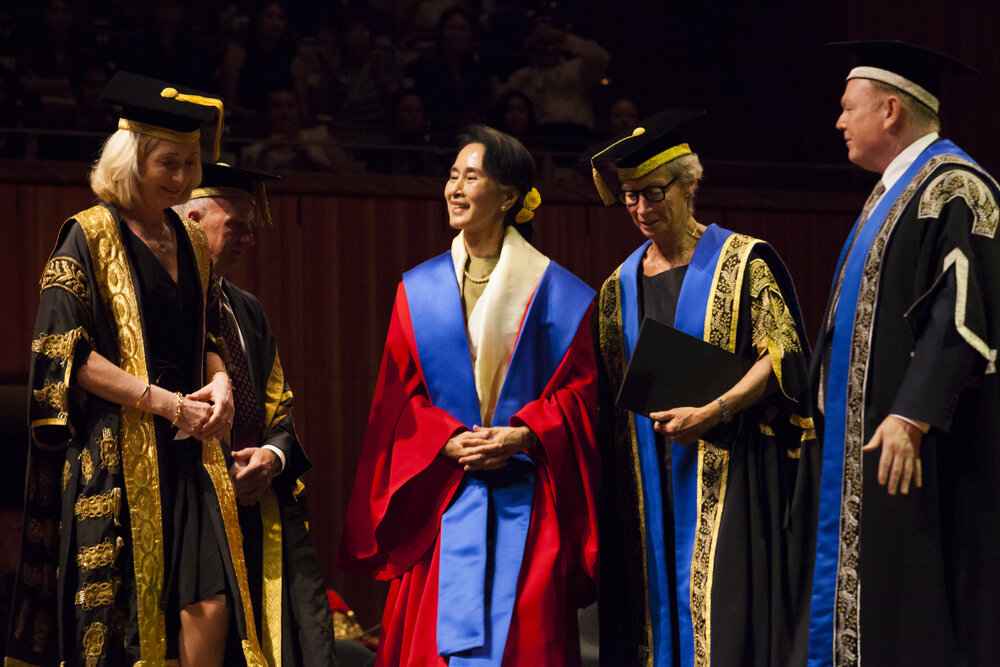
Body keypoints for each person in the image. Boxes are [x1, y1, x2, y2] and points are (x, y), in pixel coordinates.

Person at [3, 71, 271, 667]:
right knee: (124, 618)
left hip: (188, 448)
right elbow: (63, 351)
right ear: (131, 162)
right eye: (167, 164)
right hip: (114, 447)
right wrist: (165, 402)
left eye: (189, 163)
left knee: (210, 601)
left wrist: (222, 379)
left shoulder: (192, 240)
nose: (181, 178)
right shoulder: (86, 236)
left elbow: (204, 333)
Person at [338, 125, 600, 665]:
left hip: (526, 499)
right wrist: (444, 439)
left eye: (472, 177)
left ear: (508, 197)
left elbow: (581, 397)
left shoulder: (558, 292)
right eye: (452, 175)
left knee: (522, 642)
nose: (455, 188)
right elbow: (398, 397)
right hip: (443, 493)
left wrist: (525, 433)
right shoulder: (420, 288)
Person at [592, 110, 816, 666]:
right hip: (645, 489)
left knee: (723, 624)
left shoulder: (742, 263)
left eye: (653, 192)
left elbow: (783, 354)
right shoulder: (616, 289)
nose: (642, 209)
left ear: (689, 184)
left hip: (730, 473)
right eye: (629, 196)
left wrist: (716, 409)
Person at [808, 41, 1000, 667]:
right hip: (867, 442)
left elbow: (964, 308)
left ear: (890, 110)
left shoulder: (958, 187)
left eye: (847, 108)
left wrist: (912, 412)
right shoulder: (896, 189)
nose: (838, 122)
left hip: (923, 445)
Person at [173, 163, 339, 666]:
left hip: (259, 504)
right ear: (193, 220)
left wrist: (271, 457)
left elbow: (280, 410)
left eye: (251, 228)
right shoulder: (161, 306)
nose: (249, 239)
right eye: (236, 227)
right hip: (192, 505)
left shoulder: (246, 309)